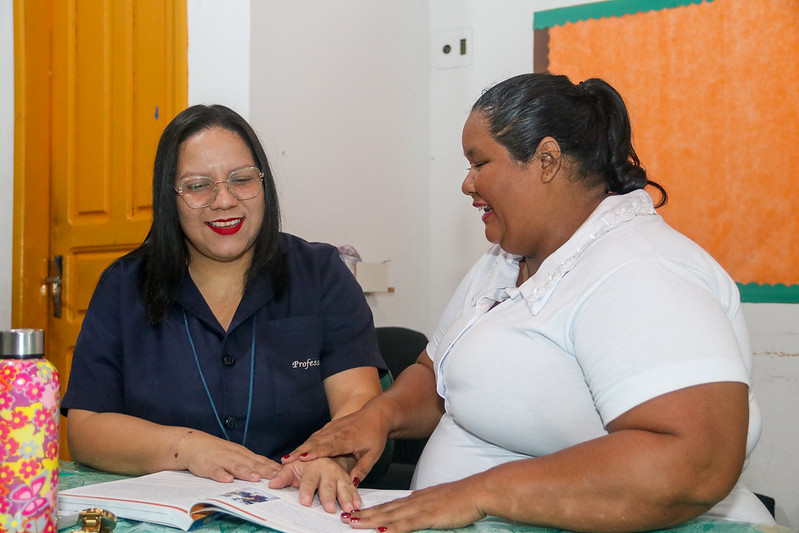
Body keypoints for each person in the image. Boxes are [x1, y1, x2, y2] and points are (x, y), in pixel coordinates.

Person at [282, 73, 777, 532]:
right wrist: (379, 417)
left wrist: (478, 493)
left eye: (479, 163)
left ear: (546, 160)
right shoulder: (506, 260)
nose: (467, 183)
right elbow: (439, 375)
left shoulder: (641, 269)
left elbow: (695, 462)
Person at [61, 104, 386, 512]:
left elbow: (359, 398)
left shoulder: (320, 273)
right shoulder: (123, 286)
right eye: (198, 186)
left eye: (242, 180)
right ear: (170, 198)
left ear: (263, 183)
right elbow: (87, 429)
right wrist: (187, 448)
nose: (224, 201)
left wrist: (329, 456)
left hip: (298, 506)